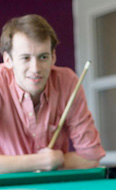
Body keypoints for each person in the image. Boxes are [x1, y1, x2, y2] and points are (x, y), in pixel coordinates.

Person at [0, 14, 106, 173]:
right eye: (25, 58)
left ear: (53, 57)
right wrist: (41, 161)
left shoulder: (67, 82)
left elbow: (91, 157)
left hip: (54, 189)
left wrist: (59, 160)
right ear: (8, 60)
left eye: (43, 57)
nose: (35, 68)